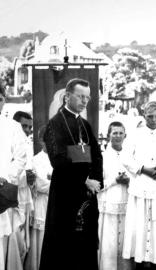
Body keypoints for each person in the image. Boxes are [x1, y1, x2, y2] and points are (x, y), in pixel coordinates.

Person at [40, 78, 103, 270]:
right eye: (80, 96)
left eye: (88, 97)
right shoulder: (55, 124)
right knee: (65, 246)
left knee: (86, 245)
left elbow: (97, 155)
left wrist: (96, 181)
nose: (85, 101)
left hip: (86, 195)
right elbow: (58, 160)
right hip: (65, 194)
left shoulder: (85, 124)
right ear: (67, 96)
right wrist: (85, 180)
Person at [122, 101, 156, 268]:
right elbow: (125, 158)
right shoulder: (135, 134)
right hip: (140, 184)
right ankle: (140, 261)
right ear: (144, 116)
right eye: (150, 116)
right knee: (140, 225)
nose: (154, 120)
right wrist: (143, 169)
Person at [98, 121, 132, 270]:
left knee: (125, 242)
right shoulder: (101, 157)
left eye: (120, 133)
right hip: (108, 205)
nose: (118, 136)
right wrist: (114, 181)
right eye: (114, 133)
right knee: (108, 243)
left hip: (127, 205)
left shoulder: (130, 156)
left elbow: (138, 179)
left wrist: (129, 181)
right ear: (108, 136)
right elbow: (96, 184)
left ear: (125, 135)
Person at [0, 85, 27, 270]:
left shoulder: (12, 127)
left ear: (2, 99)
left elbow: (20, 158)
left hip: (1, 190)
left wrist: (4, 178)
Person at [25, 126, 52, 270]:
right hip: (43, 205)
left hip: (59, 206)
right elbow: (41, 185)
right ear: (42, 140)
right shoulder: (36, 160)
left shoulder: (63, 159)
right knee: (41, 243)